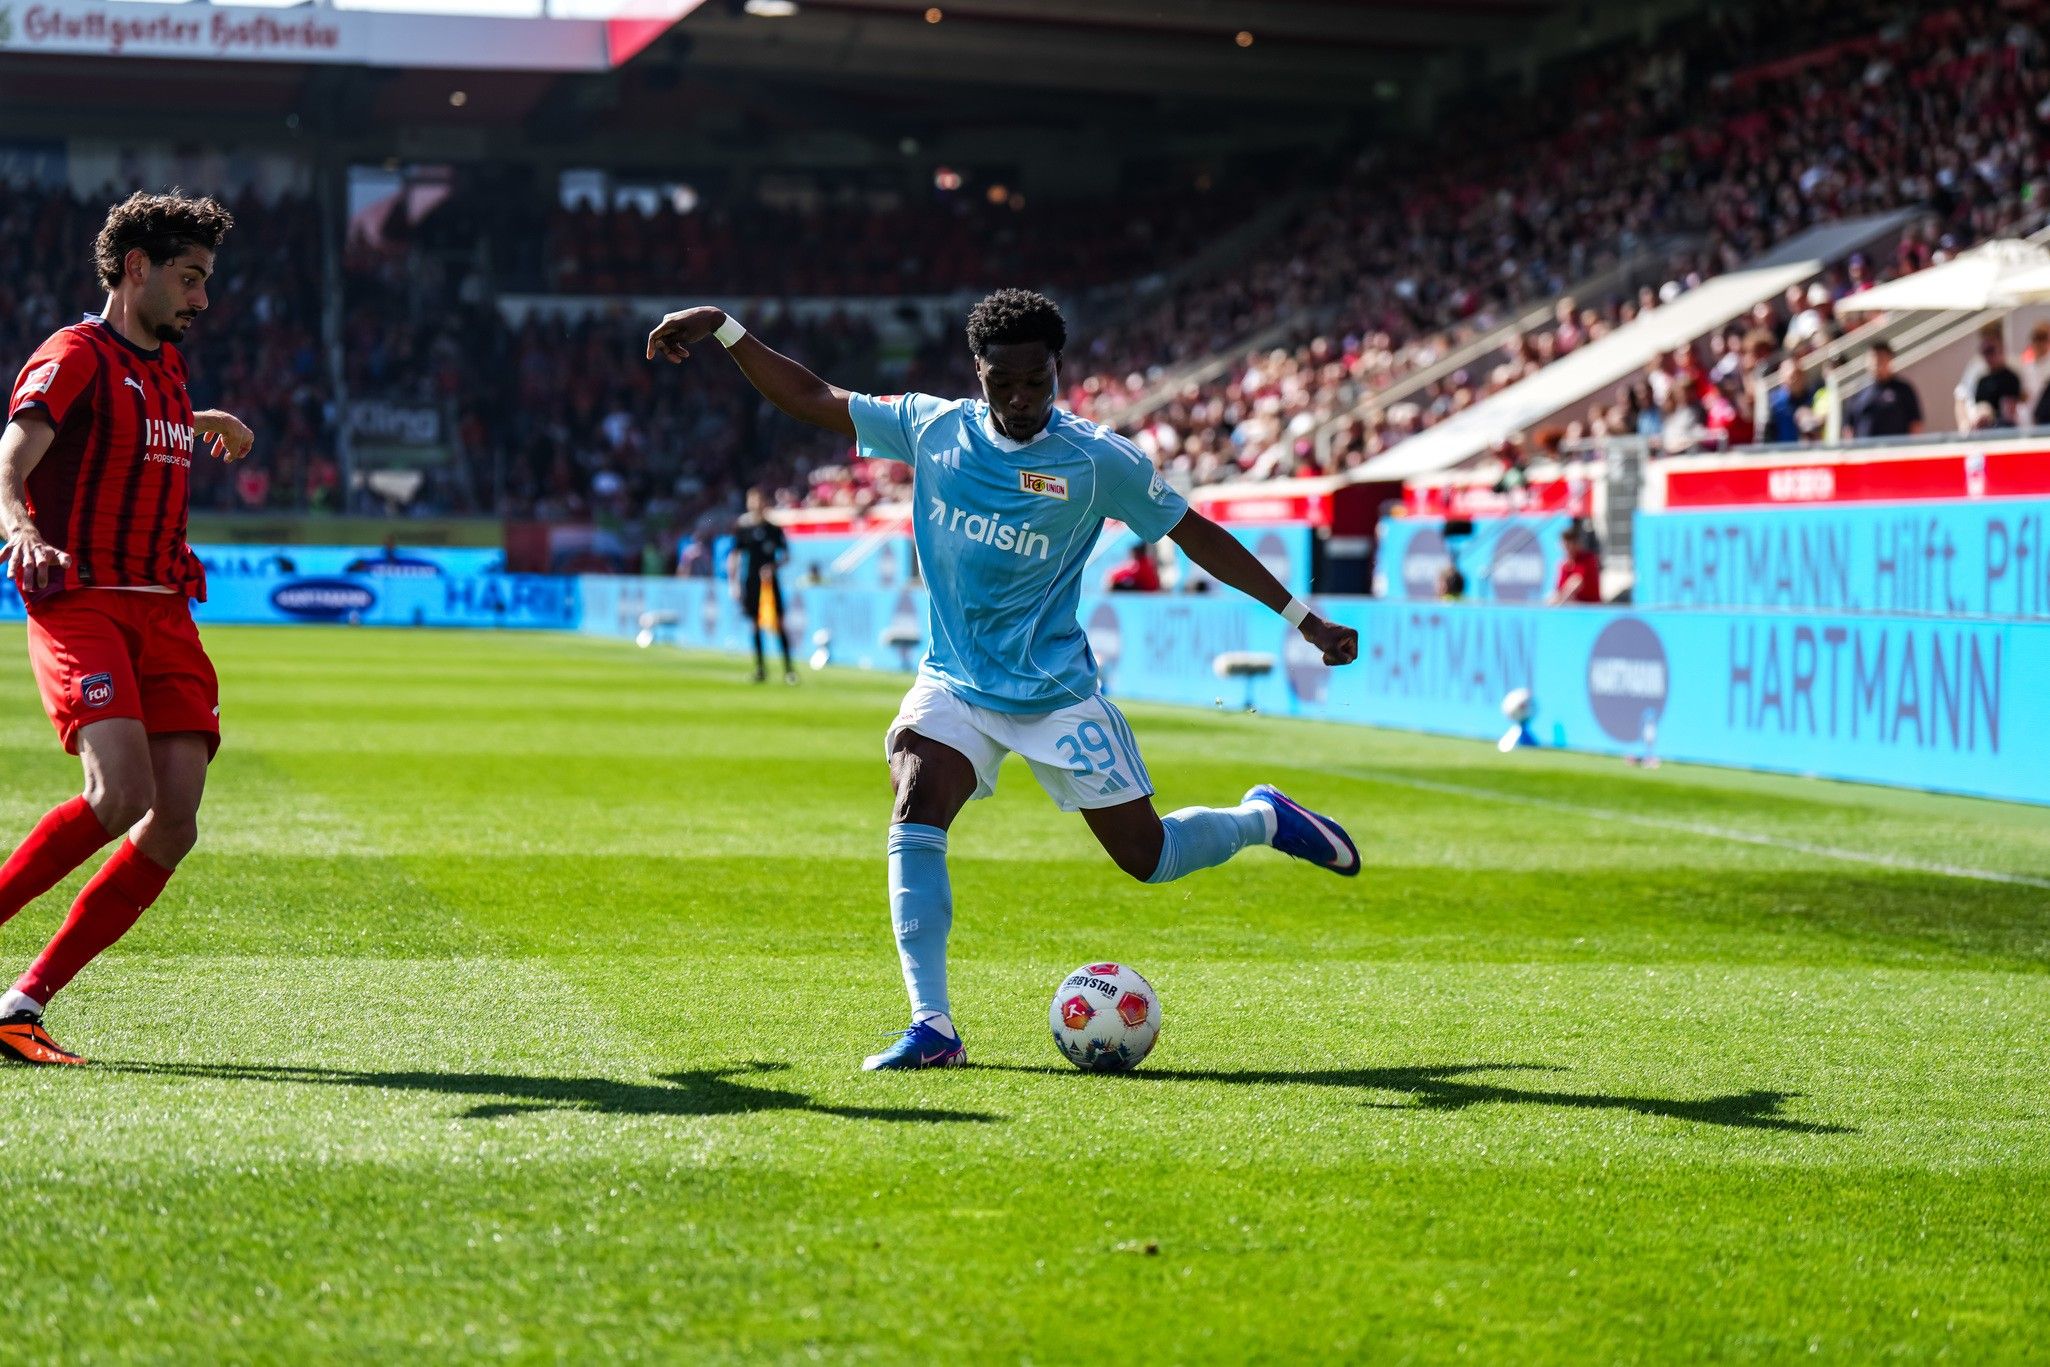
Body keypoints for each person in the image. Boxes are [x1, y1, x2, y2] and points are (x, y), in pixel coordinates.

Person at [645, 288, 1361, 1070]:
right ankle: (934, 1026)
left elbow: (1197, 535)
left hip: (1055, 694)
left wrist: (1303, 616)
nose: (1022, 400)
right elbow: (815, 397)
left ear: (1059, 371)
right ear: (977, 373)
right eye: (1004, 383)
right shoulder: (930, 426)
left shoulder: (1096, 462)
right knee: (916, 793)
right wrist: (725, 327)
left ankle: (1261, 818)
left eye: (1038, 382)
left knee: (1148, 857)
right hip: (955, 682)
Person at [0, 191, 253, 1066]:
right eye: (190, 279)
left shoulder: (167, 370)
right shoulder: (72, 352)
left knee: (174, 816)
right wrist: (18, 527)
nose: (202, 299)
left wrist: (197, 420)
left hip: (164, 607)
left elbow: (137, 420)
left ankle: (21, 1002)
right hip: (85, 599)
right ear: (135, 269)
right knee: (121, 795)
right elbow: (16, 452)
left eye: (206, 281)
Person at [728, 487, 796, 684]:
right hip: (750, 580)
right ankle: (760, 668)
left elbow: (786, 556)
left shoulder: (773, 529)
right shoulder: (743, 528)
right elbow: (734, 555)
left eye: (760, 500)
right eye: (753, 500)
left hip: (769, 582)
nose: (756, 504)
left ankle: (788, 669)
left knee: (778, 623)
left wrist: (773, 567)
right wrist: (733, 583)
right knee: (755, 625)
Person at [1845, 341, 1923, 439]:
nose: (1876, 362)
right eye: (1873, 358)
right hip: (1866, 451)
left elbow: (1915, 423)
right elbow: (1849, 427)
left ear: (1890, 359)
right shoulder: (1859, 391)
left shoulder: (1903, 389)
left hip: (1895, 450)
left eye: (1881, 358)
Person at [1972, 337, 2023, 430]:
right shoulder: (1982, 381)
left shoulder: (2010, 378)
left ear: (2001, 351)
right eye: (1985, 353)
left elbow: (2009, 414)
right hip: (1984, 430)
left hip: (2005, 429)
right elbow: (1979, 407)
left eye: (1991, 351)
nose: (1988, 356)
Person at [1549, 526, 1603, 604]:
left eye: (1569, 544)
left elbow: (1576, 583)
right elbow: (1558, 590)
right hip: (1573, 608)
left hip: (1590, 607)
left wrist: (1558, 605)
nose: (1567, 548)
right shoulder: (1563, 564)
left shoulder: (1588, 559)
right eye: (1564, 545)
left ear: (1577, 543)